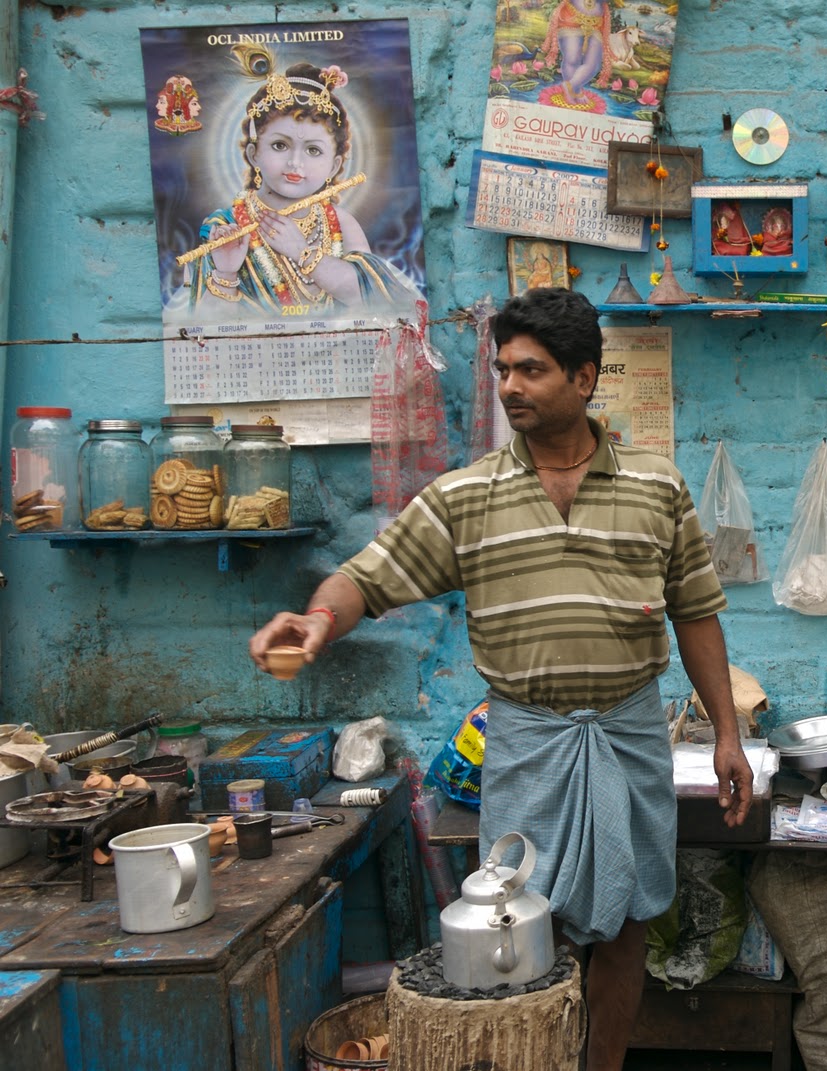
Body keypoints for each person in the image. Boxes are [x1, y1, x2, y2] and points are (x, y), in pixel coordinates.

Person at [247, 288, 753, 1071]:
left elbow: (697, 615)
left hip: (629, 735)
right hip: (527, 741)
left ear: (584, 378)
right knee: (519, 927)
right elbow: (369, 577)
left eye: (531, 369)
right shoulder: (465, 495)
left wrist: (726, 732)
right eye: (502, 368)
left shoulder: (658, 487)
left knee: (626, 926)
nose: (510, 385)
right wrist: (318, 619)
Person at [188, 60, 418, 319]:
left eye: (313, 150)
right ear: (254, 155)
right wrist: (226, 273)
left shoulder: (340, 223)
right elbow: (202, 330)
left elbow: (369, 296)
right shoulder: (227, 226)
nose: (295, 163)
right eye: (279, 146)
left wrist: (301, 252)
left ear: (334, 166)